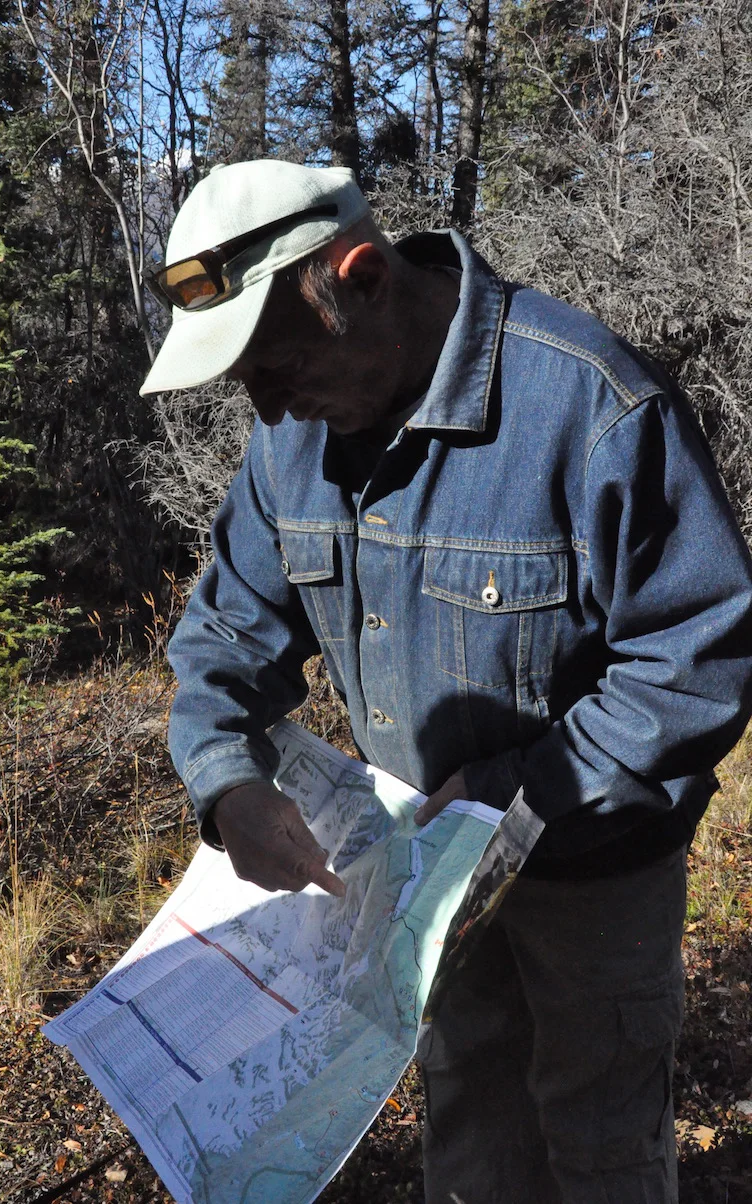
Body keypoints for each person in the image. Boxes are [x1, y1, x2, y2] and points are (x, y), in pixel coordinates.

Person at [140, 159, 752, 1203]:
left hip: (593, 879)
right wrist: (225, 778)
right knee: (470, 1133)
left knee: (601, 1150)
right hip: (423, 887)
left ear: (361, 276)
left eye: (277, 367)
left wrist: (516, 791)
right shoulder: (289, 447)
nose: (271, 408)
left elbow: (695, 657)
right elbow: (222, 639)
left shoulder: (588, 405)